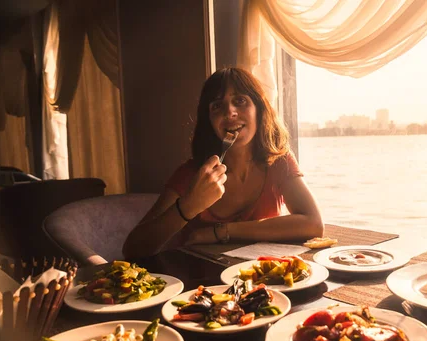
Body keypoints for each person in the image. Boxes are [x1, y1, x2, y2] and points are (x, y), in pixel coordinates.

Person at [123, 67, 324, 259]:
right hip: (201, 285)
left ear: (259, 109)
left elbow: (313, 224)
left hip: (261, 280)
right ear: (209, 121)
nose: (230, 112)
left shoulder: (278, 161)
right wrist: (188, 206)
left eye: (240, 100)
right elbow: (133, 249)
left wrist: (221, 232)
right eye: (217, 106)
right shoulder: (192, 174)